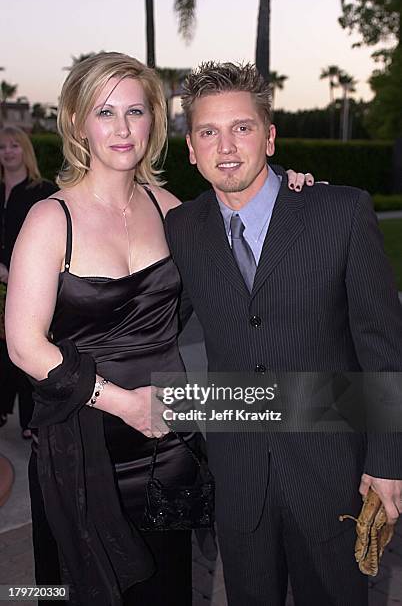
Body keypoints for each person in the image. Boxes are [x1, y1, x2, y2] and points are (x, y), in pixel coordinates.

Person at [4, 53, 311, 605]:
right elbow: (25, 346)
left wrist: (293, 193)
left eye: (136, 111)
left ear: (154, 122)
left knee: (167, 589)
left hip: (167, 448)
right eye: (104, 112)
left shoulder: (173, 210)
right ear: (76, 122)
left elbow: (249, 246)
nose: (122, 129)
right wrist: (122, 403)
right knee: (69, 591)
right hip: (83, 449)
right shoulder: (50, 219)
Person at [164, 61, 402, 606]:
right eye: (208, 131)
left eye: (242, 127)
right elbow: (154, 320)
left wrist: (388, 462)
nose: (226, 146)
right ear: (193, 149)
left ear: (270, 137)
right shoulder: (183, 228)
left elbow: (383, 346)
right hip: (239, 475)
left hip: (331, 472)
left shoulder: (339, 212)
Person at [0, 126, 56, 437]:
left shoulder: (43, 192)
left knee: (26, 351)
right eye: (2, 147)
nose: (8, 151)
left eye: (14, 145)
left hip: (29, 288)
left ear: (25, 151)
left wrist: (15, 270)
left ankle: (30, 422)